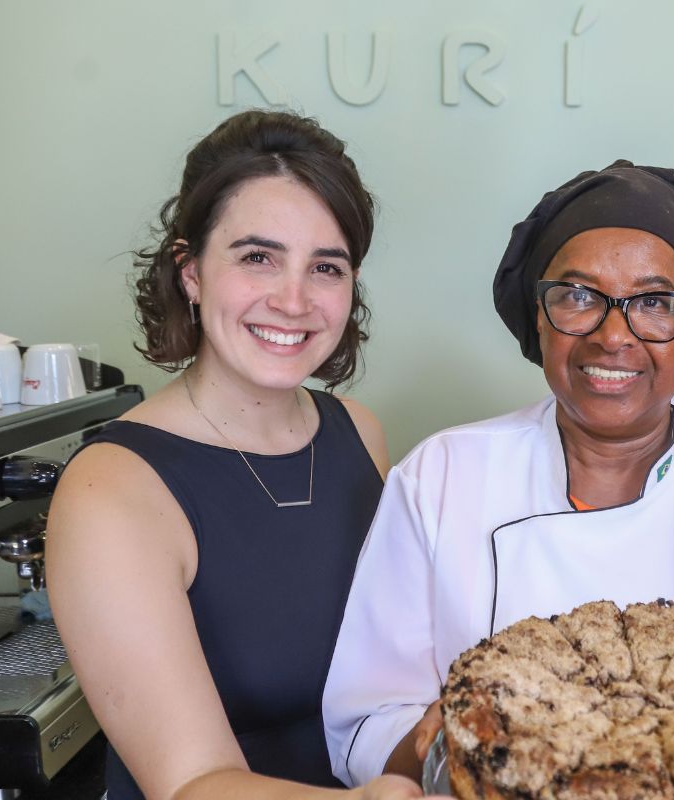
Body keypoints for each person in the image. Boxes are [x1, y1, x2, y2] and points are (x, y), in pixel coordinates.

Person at [322, 160, 674, 786]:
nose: (612, 335)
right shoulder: (441, 477)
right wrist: (462, 751)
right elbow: (362, 724)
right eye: (578, 296)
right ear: (539, 320)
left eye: (654, 303)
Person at [48, 111, 435, 800]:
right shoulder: (111, 489)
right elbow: (192, 782)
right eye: (258, 257)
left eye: (326, 267)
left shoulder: (359, 433)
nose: (293, 300)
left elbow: (385, 679)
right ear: (189, 270)